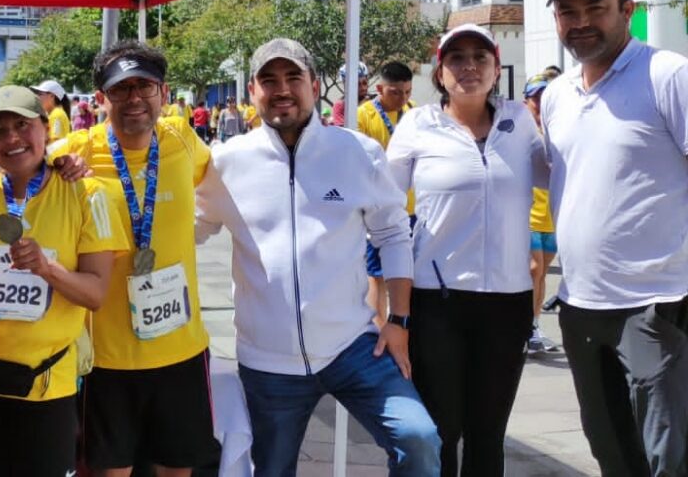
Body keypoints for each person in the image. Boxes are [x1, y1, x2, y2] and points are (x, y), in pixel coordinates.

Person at [195, 39, 439, 476]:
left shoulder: (357, 152)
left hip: (353, 347)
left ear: (313, 84)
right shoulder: (227, 162)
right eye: (269, 80)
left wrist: (400, 320)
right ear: (252, 90)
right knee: (271, 470)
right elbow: (188, 231)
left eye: (293, 78)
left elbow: (393, 234)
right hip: (267, 360)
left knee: (418, 438)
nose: (282, 89)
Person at [542, 0, 688, 476]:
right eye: (567, 11)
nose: (580, 22)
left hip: (655, 305)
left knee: (668, 458)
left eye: (594, 8)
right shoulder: (558, 95)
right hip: (580, 306)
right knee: (611, 452)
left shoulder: (667, 75)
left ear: (626, 9)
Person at [52, 41, 220, 477]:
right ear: (102, 98)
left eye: (144, 87)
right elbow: (18, 178)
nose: (134, 99)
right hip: (107, 358)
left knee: (178, 468)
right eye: (120, 89)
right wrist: (56, 173)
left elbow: (222, 185)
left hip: (181, 349)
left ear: (164, 93)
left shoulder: (184, 140)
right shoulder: (75, 152)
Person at [387, 25, 547, 476]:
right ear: (440, 73)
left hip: (508, 302)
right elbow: (384, 211)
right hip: (438, 303)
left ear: (497, 68)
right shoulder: (418, 125)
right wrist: (387, 303)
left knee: (488, 432)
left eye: (480, 57)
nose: (469, 67)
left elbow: (564, 177)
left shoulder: (520, 124)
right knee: (441, 429)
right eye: (457, 58)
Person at [0, 85, 125, 476]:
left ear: (46, 128)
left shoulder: (87, 193)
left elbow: (96, 294)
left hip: (46, 382)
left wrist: (48, 269)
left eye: (22, 126)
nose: (12, 138)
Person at [356, 61, 418, 326]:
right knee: (377, 273)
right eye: (395, 92)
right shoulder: (363, 115)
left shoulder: (415, 114)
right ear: (379, 88)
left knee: (410, 271)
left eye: (407, 92)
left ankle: (407, 324)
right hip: (377, 210)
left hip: (413, 208)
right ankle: (379, 326)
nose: (402, 99)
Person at [521, 72, 559, 353]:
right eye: (536, 97)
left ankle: (533, 327)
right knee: (533, 270)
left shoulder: (556, 126)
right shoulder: (523, 131)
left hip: (552, 215)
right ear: (527, 101)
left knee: (542, 273)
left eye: (544, 96)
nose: (540, 102)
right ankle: (523, 326)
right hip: (529, 214)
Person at [331, 61, 371, 127]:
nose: (363, 88)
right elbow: (344, 134)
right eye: (358, 84)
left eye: (364, 83)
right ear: (346, 85)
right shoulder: (341, 105)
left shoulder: (374, 101)